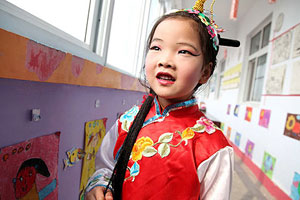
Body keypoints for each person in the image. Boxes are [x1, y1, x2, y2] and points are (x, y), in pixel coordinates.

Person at [85, 0, 239, 199]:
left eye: (184, 51)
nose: (165, 60)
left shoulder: (214, 146)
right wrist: (98, 187)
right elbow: (105, 167)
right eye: (156, 47)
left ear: (205, 72)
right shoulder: (128, 121)